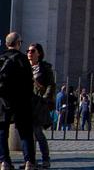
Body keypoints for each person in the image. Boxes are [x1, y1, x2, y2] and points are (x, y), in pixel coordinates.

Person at [0, 34, 36, 170]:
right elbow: (29, 82)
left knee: (2, 132)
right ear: (18, 43)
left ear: (6, 44)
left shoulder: (1, 58)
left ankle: (4, 162)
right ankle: (29, 162)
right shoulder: (22, 59)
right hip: (21, 101)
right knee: (25, 132)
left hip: (3, 101)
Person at [24, 43, 52, 169]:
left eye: (32, 51)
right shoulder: (24, 66)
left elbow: (51, 84)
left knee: (38, 132)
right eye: (28, 51)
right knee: (27, 134)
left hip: (38, 104)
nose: (29, 53)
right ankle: (30, 161)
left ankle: (46, 159)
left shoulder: (45, 68)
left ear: (39, 53)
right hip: (25, 104)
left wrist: (45, 98)